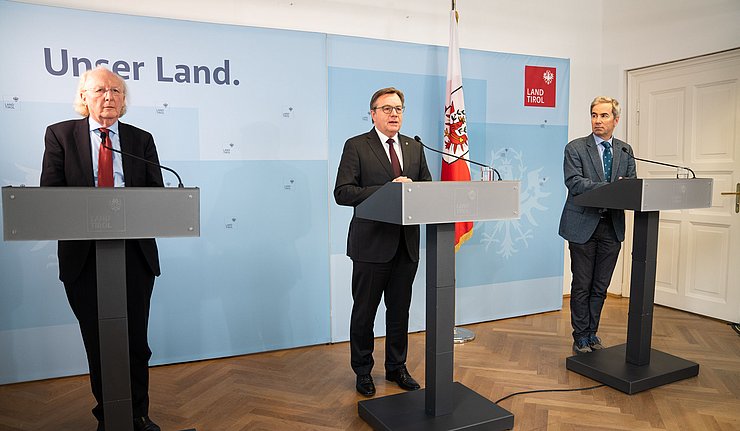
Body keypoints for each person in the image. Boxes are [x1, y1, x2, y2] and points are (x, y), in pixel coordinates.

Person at [40, 66, 163, 431]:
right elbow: (52, 193)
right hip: (84, 255)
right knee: (100, 340)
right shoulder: (60, 135)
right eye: (99, 90)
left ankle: (138, 414)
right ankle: (109, 415)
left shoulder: (141, 139)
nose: (108, 97)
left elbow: (156, 195)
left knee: (136, 341)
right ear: (84, 97)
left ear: (123, 100)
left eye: (115, 91)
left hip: (134, 253)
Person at [334, 87, 432, 396]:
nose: (394, 114)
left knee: (399, 311)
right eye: (387, 109)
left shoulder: (414, 147)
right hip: (371, 245)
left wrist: (414, 189)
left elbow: (427, 188)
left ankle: (396, 367)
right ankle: (363, 371)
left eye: (399, 109)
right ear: (373, 113)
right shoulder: (356, 146)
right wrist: (387, 189)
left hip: (406, 245)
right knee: (365, 311)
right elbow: (343, 192)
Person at [559, 96, 637, 355]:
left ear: (616, 119)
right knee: (582, 284)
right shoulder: (576, 148)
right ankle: (579, 336)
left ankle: (592, 333)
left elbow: (631, 187)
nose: (597, 121)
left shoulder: (625, 150)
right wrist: (614, 188)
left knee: (600, 287)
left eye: (604, 116)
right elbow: (576, 184)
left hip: (611, 226)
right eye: (594, 115)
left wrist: (619, 189)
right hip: (583, 224)